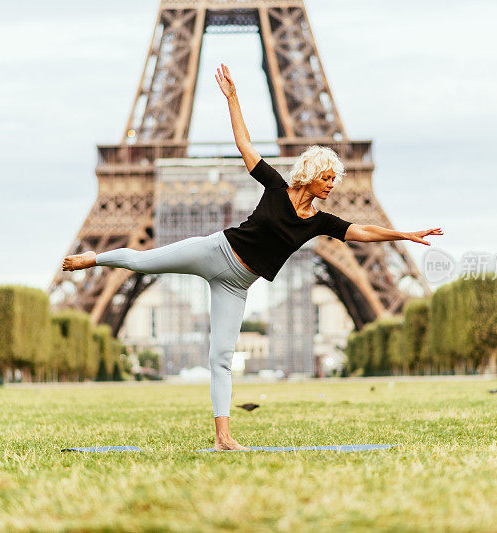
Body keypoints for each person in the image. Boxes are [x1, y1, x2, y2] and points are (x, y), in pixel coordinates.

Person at [62, 63, 443, 451]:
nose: (331, 186)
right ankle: (95, 258)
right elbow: (245, 146)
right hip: (215, 251)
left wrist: (405, 234)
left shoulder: (319, 222)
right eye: (327, 178)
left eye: (335, 180)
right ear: (309, 173)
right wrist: (233, 98)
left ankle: (223, 437)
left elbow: (361, 231)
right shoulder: (276, 186)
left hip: (237, 284)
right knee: (143, 260)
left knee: (221, 358)